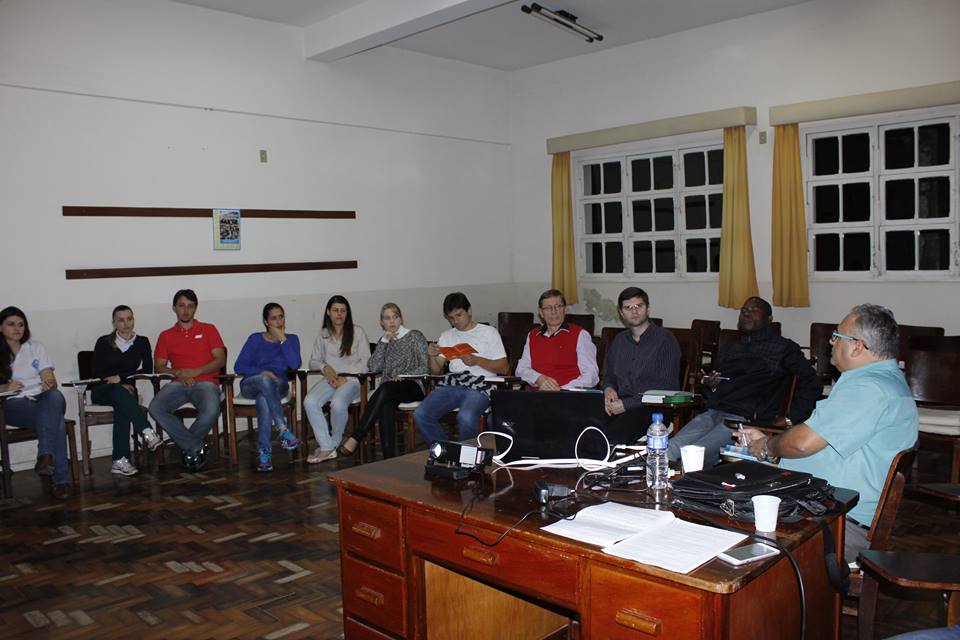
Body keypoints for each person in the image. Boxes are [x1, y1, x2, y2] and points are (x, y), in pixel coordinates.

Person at [741, 304, 918, 564]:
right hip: (823, 508)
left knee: (728, 534)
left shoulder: (869, 389)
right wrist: (771, 447)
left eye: (837, 337)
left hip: (839, 522)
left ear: (857, 346)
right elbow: (816, 437)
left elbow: (802, 444)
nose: (831, 343)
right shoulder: (882, 381)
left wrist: (769, 446)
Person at [668, 296, 822, 467]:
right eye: (743, 311)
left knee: (695, 454)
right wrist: (711, 386)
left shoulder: (783, 348)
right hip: (712, 413)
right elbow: (712, 387)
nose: (746, 314)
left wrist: (790, 419)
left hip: (744, 420)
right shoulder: (731, 348)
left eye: (754, 310)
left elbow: (812, 383)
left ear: (769, 319)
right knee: (669, 449)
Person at [414, 292, 508, 446]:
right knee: (421, 414)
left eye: (459, 315)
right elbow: (436, 371)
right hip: (452, 384)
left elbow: (504, 367)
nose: (455, 321)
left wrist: (477, 360)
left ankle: (468, 460)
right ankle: (446, 453)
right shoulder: (446, 336)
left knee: (466, 416)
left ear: (469, 311)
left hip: (481, 386)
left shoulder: (488, 333)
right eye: (451, 318)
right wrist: (431, 356)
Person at [337, 303, 428, 459]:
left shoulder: (415, 336)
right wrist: (384, 343)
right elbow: (373, 366)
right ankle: (389, 458)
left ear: (401, 319)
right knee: (385, 402)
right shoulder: (383, 340)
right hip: (389, 389)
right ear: (382, 322)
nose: (392, 321)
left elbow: (425, 367)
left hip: (413, 385)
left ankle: (356, 436)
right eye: (387, 318)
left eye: (395, 317)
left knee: (385, 389)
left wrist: (404, 376)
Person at [148, 290, 226, 471]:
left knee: (212, 409)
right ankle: (196, 447)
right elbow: (159, 366)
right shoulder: (166, 335)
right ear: (174, 308)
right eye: (182, 306)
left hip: (206, 383)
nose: (186, 311)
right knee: (155, 408)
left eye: (190, 306)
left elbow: (219, 360)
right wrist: (179, 373)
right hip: (178, 383)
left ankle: (188, 447)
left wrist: (195, 372)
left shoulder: (209, 329)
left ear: (195, 308)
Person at [0, 306, 71, 498]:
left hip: (41, 398)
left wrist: (49, 383)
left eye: (21, 324)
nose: (17, 329)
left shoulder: (36, 347)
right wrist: (5, 388)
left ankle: (45, 456)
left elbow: (49, 378)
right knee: (56, 422)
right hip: (12, 404)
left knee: (55, 396)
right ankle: (61, 481)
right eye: (11, 324)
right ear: (1, 327)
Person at [602, 287, 681, 440]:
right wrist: (608, 389)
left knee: (613, 434)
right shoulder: (619, 341)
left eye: (639, 306)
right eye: (628, 307)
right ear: (621, 313)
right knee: (586, 423)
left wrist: (627, 405)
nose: (634, 311)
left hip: (653, 407)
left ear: (648, 309)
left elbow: (667, 387)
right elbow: (609, 376)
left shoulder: (665, 340)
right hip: (620, 402)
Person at [234, 302, 303, 473]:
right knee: (265, 381)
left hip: (278, 386)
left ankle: (264, 453)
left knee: (264, 398)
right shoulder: (255, 339)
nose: (279, 322)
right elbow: (239, 366)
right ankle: (282, 428)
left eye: (281, 317)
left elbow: (295, 364)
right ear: (266, 322)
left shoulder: (291, 339)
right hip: (252, 383)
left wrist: (283, 340)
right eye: (274, 318)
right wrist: (261, 372)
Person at [91, 305, 159, 476]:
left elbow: (148, 369)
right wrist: (117, 383)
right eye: (121, 320)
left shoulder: (142, 342)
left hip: (126, 391)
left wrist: (120, 378)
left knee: (123, 402)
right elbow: (97, 372)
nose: (126, 323)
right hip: (102, 390)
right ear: (114, 323)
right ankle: (146, 430)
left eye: (129, 318)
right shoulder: (103, 342)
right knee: (120, 394)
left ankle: (119, 461)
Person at [303, 295, 370, 464]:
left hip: (355, 380)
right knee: (310, 402)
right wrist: (325, 368)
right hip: (331, 379)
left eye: (342, 310)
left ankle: (330, 445)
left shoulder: (358, 332)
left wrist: (345, 377)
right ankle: (327, 446)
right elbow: (313, 361)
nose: (339, 314)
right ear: (328, 312)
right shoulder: (323, 334)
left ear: (347, 313)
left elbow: (367, 362)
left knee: (338, 403)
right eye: (335, 310)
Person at [515, 289, 598, 390]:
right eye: (548, 308)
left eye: (558, 306)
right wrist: (539, 379)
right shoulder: (533, 335)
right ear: (541, 312)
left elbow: (591, 375)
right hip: (537, 397)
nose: (554, 312)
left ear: (565, 309)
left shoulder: (580, 335)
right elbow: (521, 369)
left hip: (568, 395)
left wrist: (561, 389)